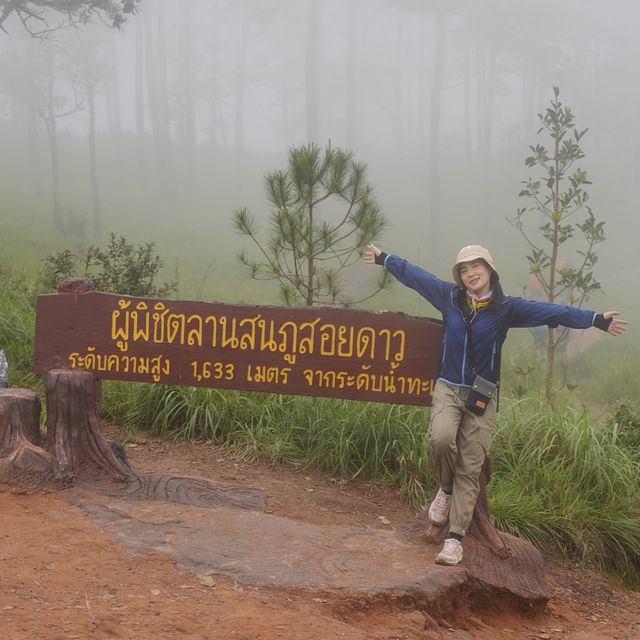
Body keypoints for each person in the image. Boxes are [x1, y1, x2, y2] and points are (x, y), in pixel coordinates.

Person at [364, 243, 627, 566]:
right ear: (459, 276)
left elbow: (553, 313)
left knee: (471, 465)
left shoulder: (507, 309)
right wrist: (384, 259)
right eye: (464, 269)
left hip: (482, 397)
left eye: (476, 267)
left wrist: (595, 319)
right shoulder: (449, 297)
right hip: (448, 388)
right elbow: (416, 277)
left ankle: (454, 539)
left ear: (490, 270)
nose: (470, 273)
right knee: (441, 439)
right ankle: (445, 489)